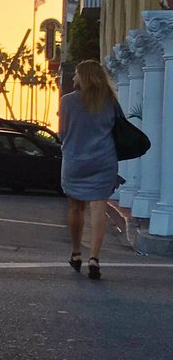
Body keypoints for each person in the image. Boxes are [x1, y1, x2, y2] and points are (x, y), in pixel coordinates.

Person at [58, 59, 119, 281]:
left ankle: (76, 252)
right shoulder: (109, 100)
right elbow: (117, 127)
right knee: (98, 208)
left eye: (76, 73)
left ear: (83, 76)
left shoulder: (67, 101)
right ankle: (94, 258)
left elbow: (62, 133)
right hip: (103, 159)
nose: (73, 77)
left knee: (76, 208)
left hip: (75, 160)